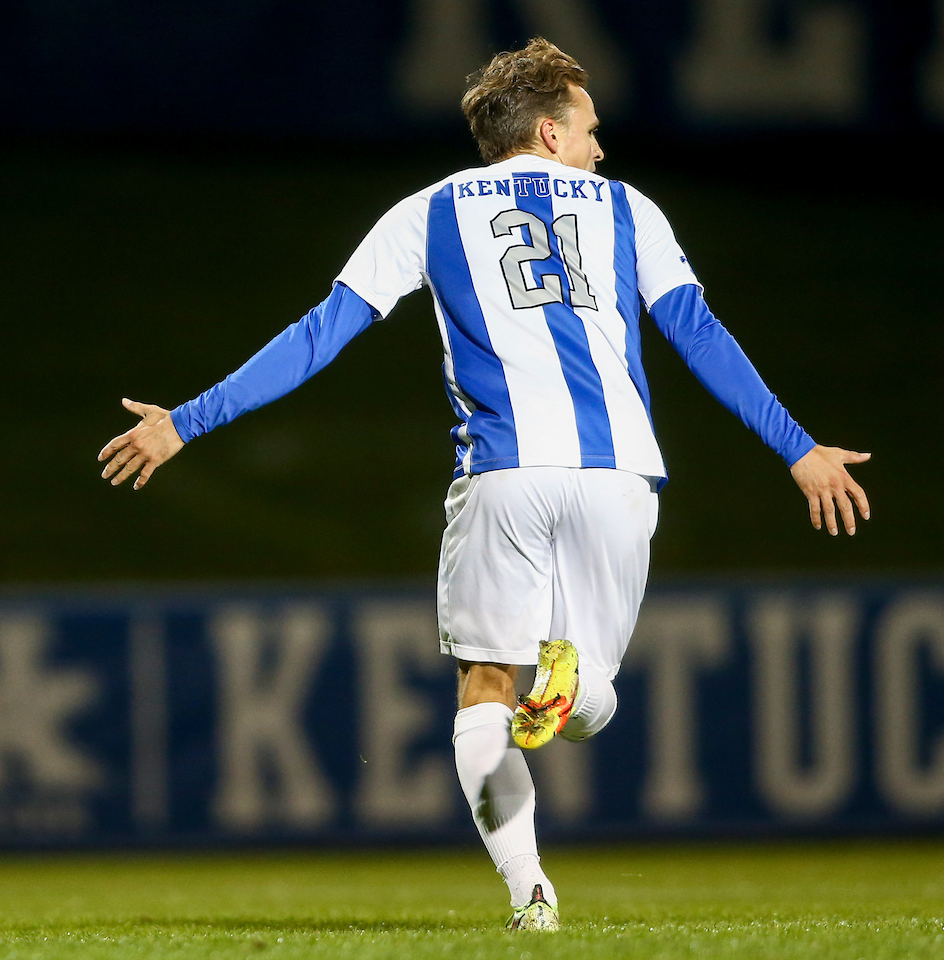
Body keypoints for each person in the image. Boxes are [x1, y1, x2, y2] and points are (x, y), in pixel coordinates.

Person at [98, 38, 870, 932]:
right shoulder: (628, 209)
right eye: (589, 129)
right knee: (588, 707)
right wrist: (797, 448)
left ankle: (530, 894)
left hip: (502, 476)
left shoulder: (426, 212)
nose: (600, 148)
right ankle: (578, 692)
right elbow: (700, 335)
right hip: (617, 476)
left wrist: (184, 420)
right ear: (549, 131)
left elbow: (321, 333)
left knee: (484, 690)